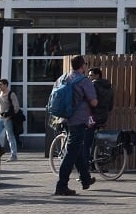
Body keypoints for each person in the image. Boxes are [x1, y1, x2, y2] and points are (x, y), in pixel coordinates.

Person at [54, 55, 98, 196]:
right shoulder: (84, 81)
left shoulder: (63, 78)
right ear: (82, 66)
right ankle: (61, 185)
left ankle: (85, 179)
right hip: (78, 120)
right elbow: (93, 102)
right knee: (71, 153)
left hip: (65, 118)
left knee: (76, 149)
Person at [0, 78, 21, 161]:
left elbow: (16, 107)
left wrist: (10, 115)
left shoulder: (11, 94)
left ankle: (14, 155)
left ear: (6, 85)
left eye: (1, 85)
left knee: (10, 136)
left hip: (7, 119)